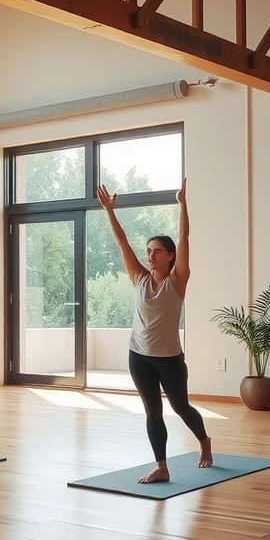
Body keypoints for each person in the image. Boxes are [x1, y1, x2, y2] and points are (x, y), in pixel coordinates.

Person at [97, 177, 213, 484]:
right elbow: (121, 242)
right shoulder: (138, 277)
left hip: (169, 359)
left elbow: (185, 237)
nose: (150, 255)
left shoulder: (178, 280)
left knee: (181, 407)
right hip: (139, 356)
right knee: (153, 411)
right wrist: (110, 211)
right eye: (148, 250)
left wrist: (183, 205)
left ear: (171, 256)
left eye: (157, 251)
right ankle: (161, 466)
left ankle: (204, 441)